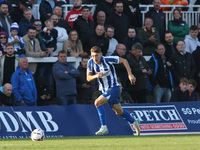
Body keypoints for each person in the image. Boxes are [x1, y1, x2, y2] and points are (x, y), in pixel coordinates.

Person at [87, 46, 140, 136]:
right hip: (105, 91)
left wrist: (130, 74)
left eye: (96, 55)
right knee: (119, 112)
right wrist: (96, 76)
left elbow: (124, 61)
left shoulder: (108, 60)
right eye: (92, 56)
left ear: (101, 54)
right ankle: (134, 121)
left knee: (97, 103)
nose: (94, 58)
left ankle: (104, 127)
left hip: (114, 88)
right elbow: (88, 78)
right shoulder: (90, 62)